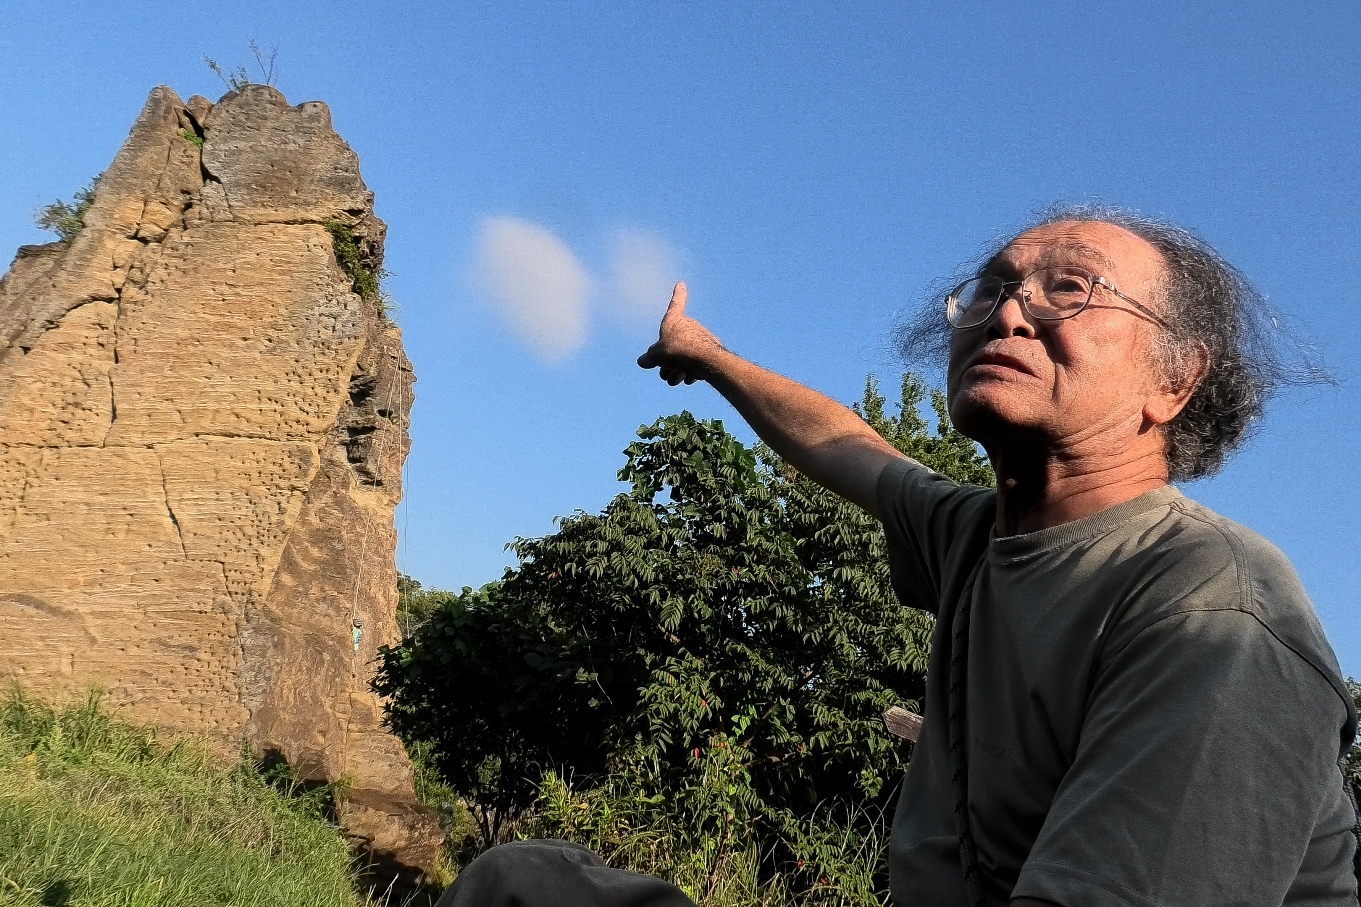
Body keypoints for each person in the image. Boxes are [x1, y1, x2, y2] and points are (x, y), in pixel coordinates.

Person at [439, 208, 1356, 907]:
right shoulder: (975, 535)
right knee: (524, 883)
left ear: (1174, 378)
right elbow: (848, 446)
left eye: (1070, 287)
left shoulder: (1215, 613)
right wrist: (708, 355)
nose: (1009, 310)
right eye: (991, 288)